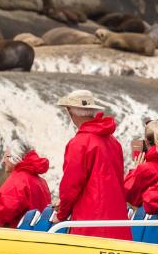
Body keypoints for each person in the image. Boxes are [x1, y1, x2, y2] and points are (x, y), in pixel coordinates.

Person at [55, 90, 131, 240]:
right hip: (116, 222)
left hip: (90, 224)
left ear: (71, 112)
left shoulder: (79, 143)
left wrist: (61, 214)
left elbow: (71, 185)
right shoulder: (113, 142)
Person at [0, 143, 52, 228]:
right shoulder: (41, 182)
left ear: (15, 157)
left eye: (6, 157)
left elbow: (3, 213)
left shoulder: (17, 181)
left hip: (18, 236)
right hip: (37, 235)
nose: (3, 161)